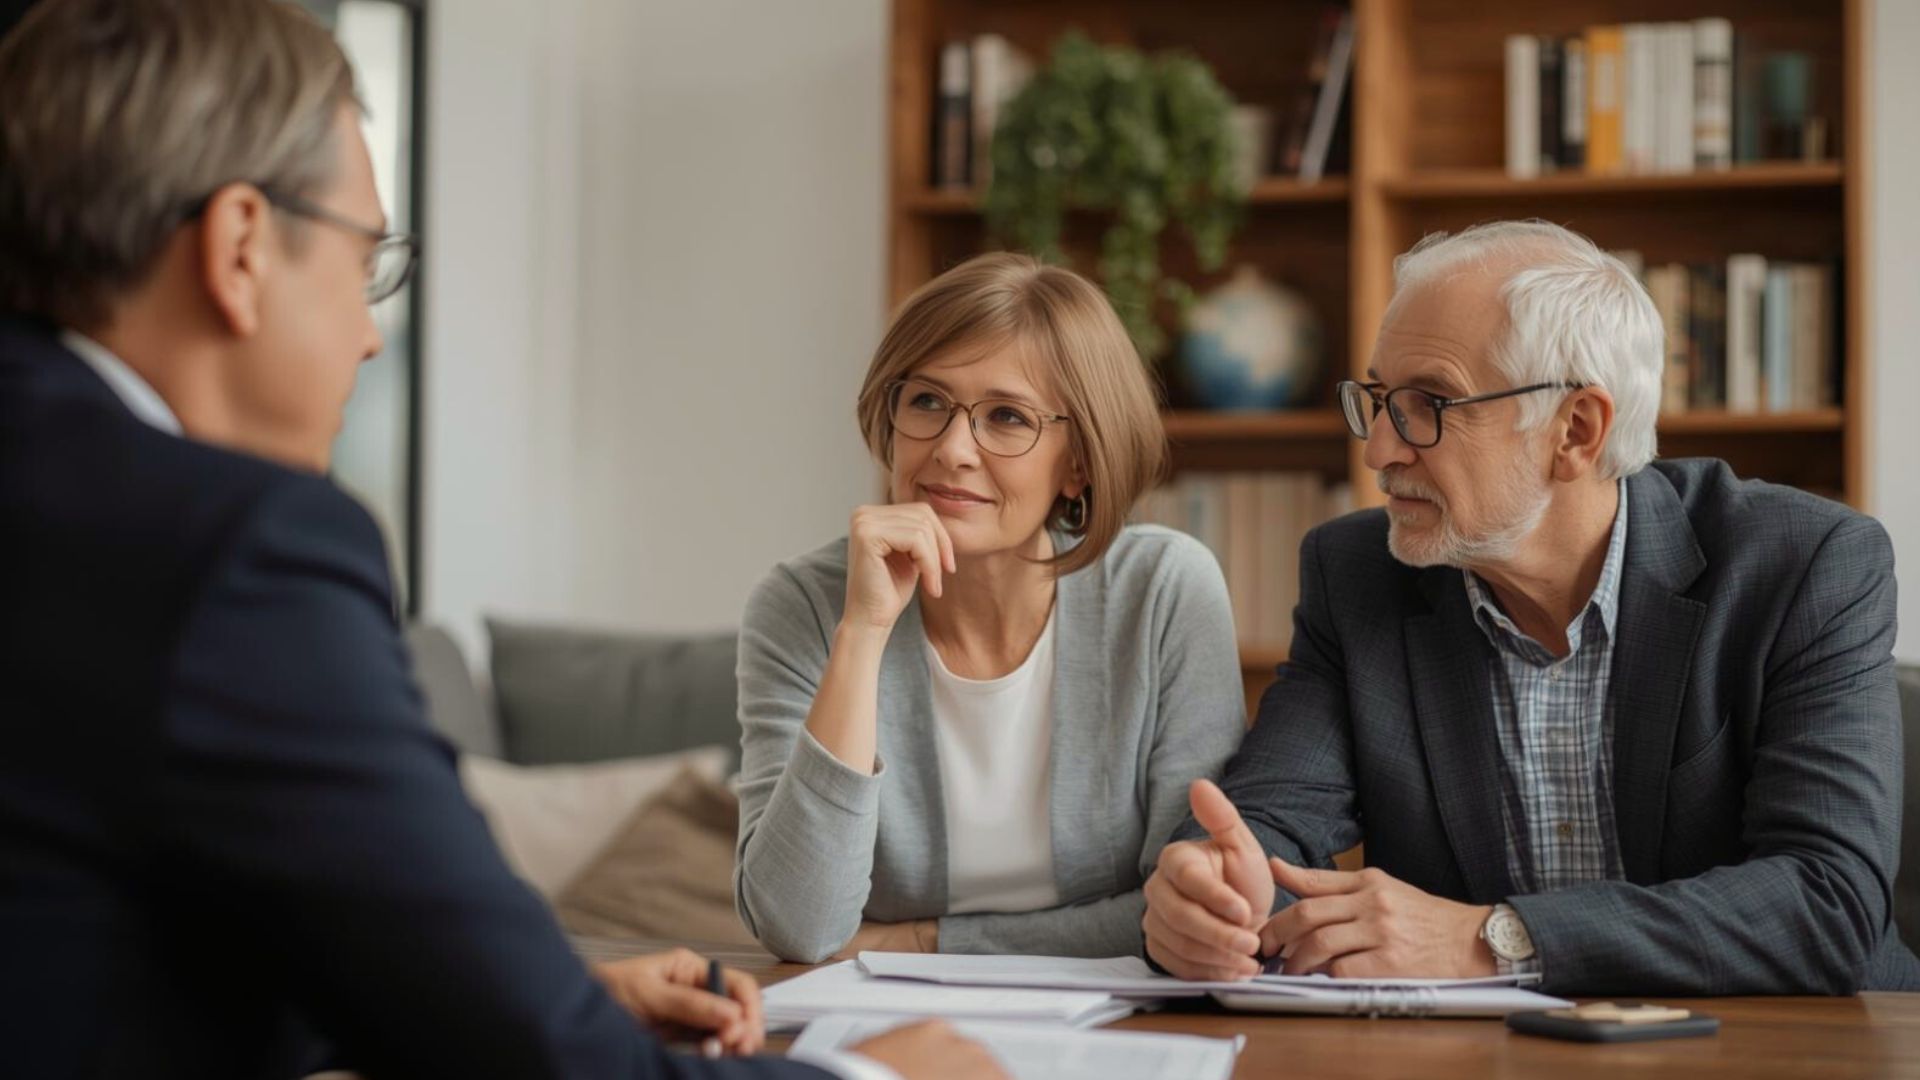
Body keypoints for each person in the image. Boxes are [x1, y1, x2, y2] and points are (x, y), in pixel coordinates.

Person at [0, 2, 1004, 1077]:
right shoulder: (237, 553)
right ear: (241, 246)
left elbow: (96, 952)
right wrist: (877, 1077)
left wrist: (544, 997)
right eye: (364, 263)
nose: (369, 333)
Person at [1141, 220, 1920, 995]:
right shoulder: (1357, 575)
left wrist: (1496, 939)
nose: (1379, 449)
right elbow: (1269, 824)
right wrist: (1214, 897)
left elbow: (1827, 902)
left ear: (1575, 431)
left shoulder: (1804, 565)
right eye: (1379, 399)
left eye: (1431, 403)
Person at [733, 252, 1246, 964]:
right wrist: (863, 632)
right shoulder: (803, 608)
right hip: (886, 1034)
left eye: (1006, 417)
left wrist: (923, 942)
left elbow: (1185, 910)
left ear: (1079, 462)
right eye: (926, 402)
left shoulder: (1162, 592)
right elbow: (800, 926)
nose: (951, 449)